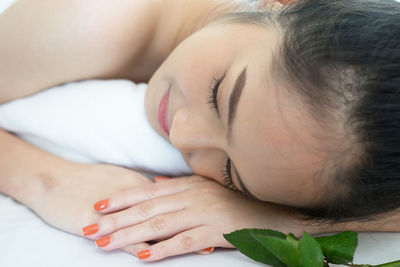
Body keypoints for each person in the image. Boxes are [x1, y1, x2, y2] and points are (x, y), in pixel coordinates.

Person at [1, 0, 400, 262]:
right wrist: (45, 180)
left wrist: (274, 219)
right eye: (219, 95)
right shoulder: (85, 24)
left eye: (229, 172)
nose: (182, 136)